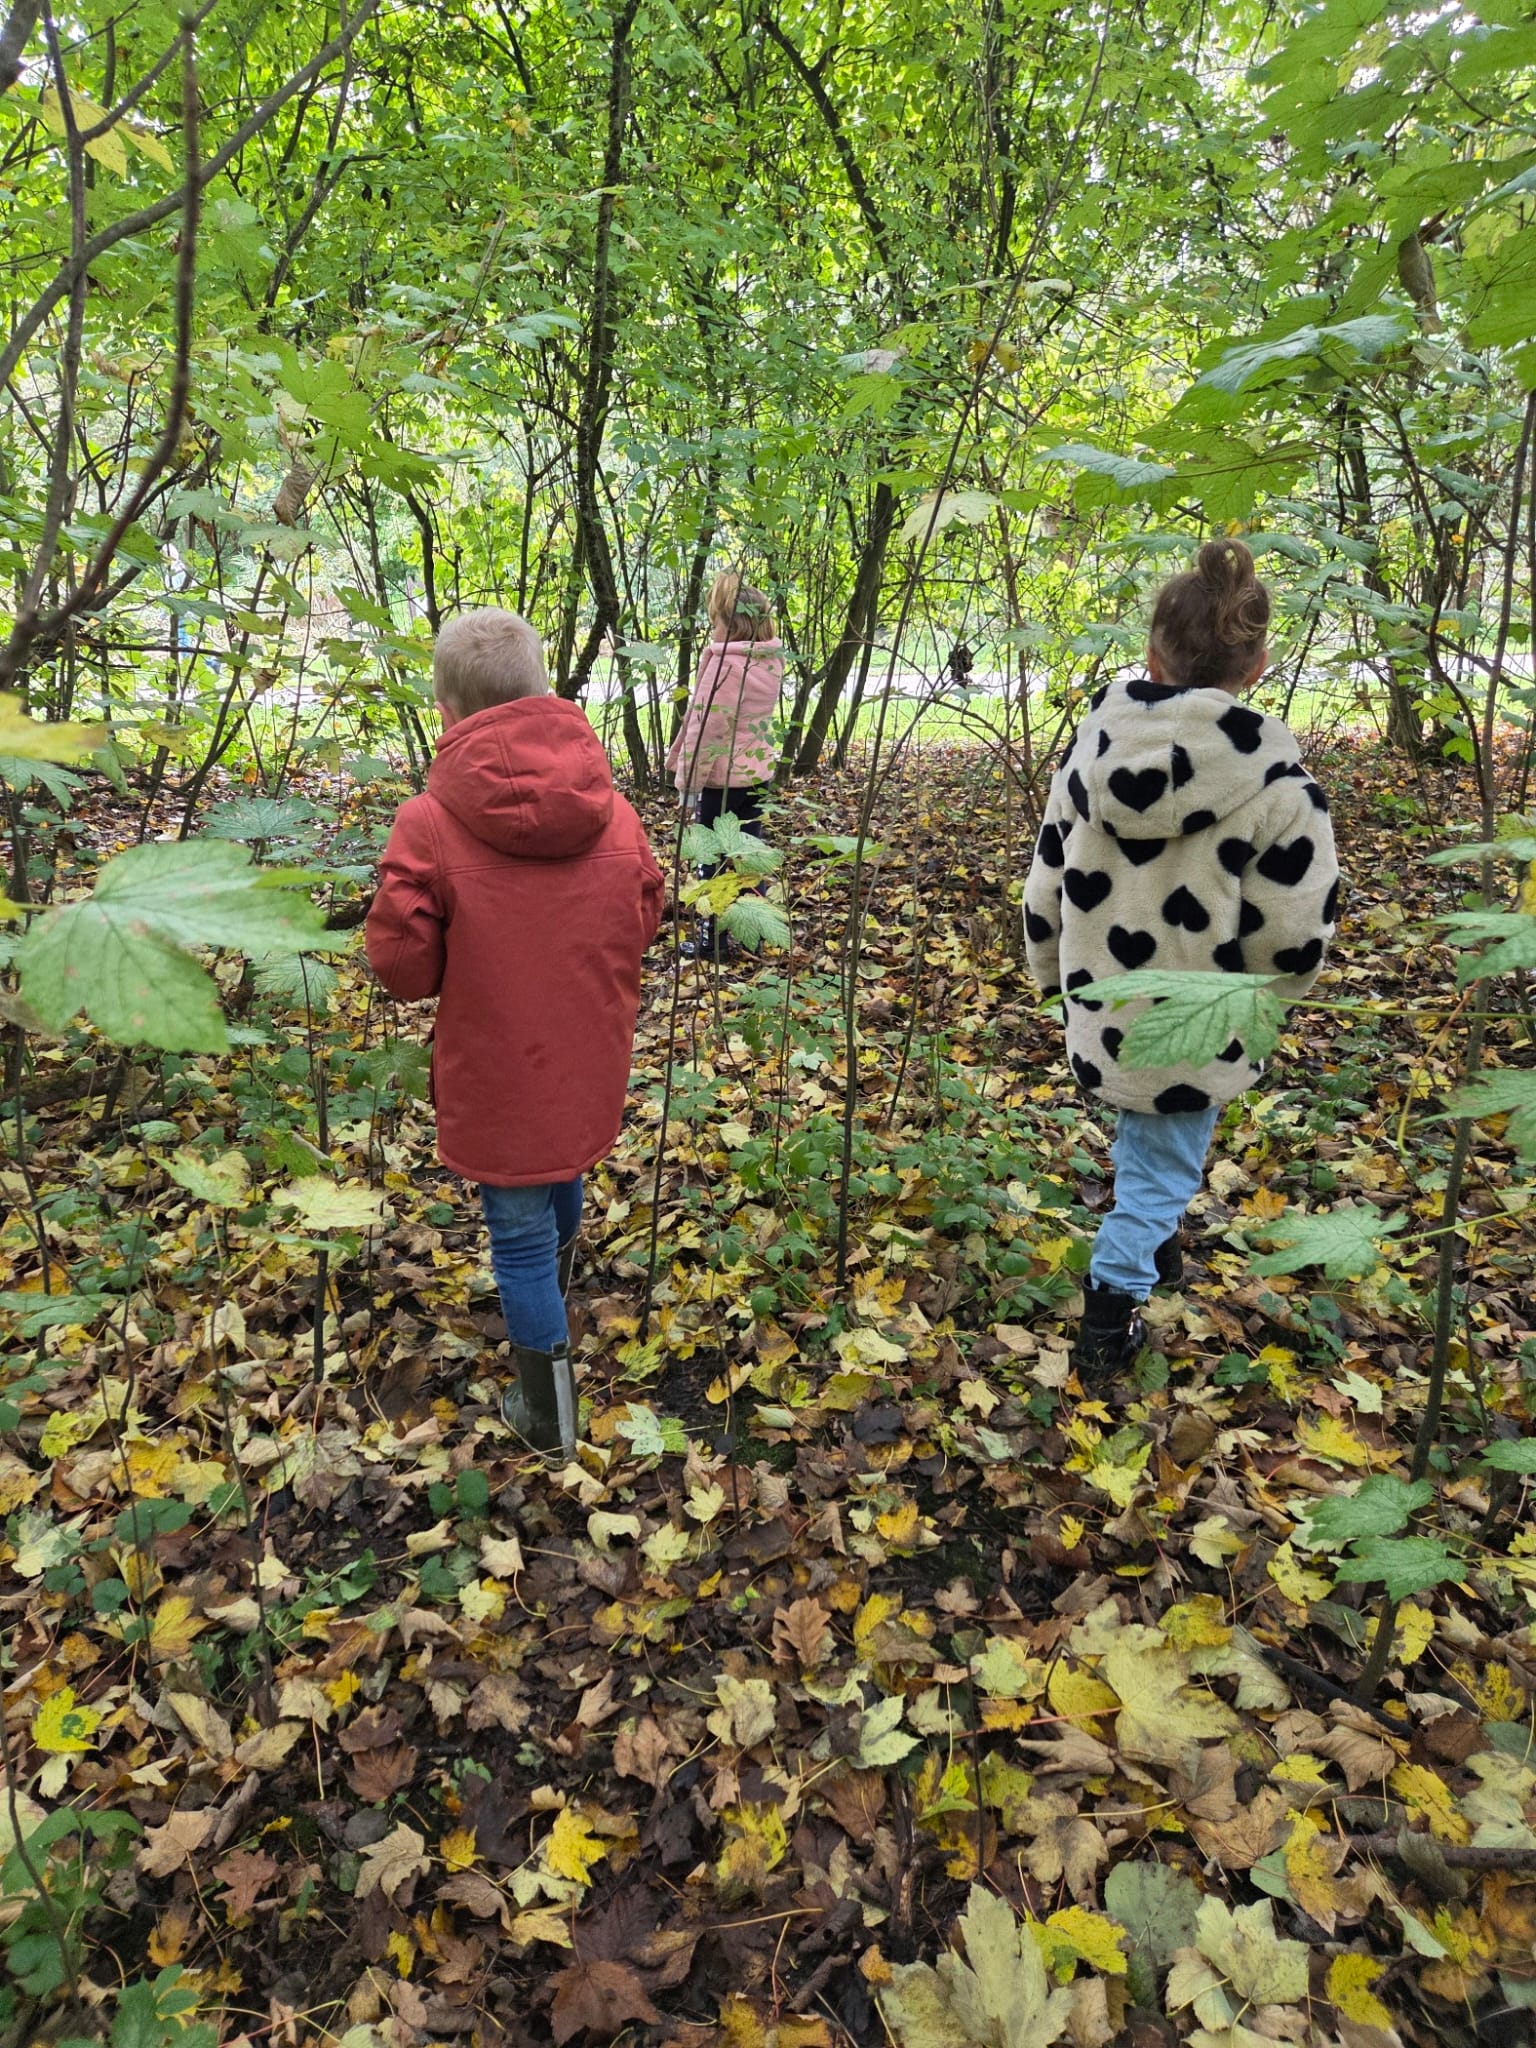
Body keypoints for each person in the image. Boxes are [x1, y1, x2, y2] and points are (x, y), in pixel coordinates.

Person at [1023, 539, 1340, 1379]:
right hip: (1202, 1021)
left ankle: (1150, 1243)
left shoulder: (1089, 756)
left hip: (1104, 1005)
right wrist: (1267, 1000)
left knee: (1150, 1143)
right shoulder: (1277, 789)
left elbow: (1046, 885)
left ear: (1152, 657)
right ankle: (1109, 1313)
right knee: (1163, 1170)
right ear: (1259, 664)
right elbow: (1295, 932)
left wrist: (1054, 979)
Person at [366, 608, 664, 1451]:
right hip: (587, 1051)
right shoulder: (613, 809)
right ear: (544, 690)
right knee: (558, 1165)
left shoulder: (428, 821)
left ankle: (548, 1418)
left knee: (520, 1237)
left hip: (498, 1070)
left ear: (449, 712)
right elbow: (643, 914)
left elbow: (403, 968)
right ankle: (557, 1310)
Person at [666, 569, 783, 960]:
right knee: (749, 851)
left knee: (711, 859)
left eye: (715, 621)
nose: (711, 629)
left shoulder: (724, 666)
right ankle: (755, 934)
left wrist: (689, 782)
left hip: (720, 782)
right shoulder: (769, 661)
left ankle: (712, 943)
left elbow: (706, 728)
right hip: (756, 774)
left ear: (732, 625)